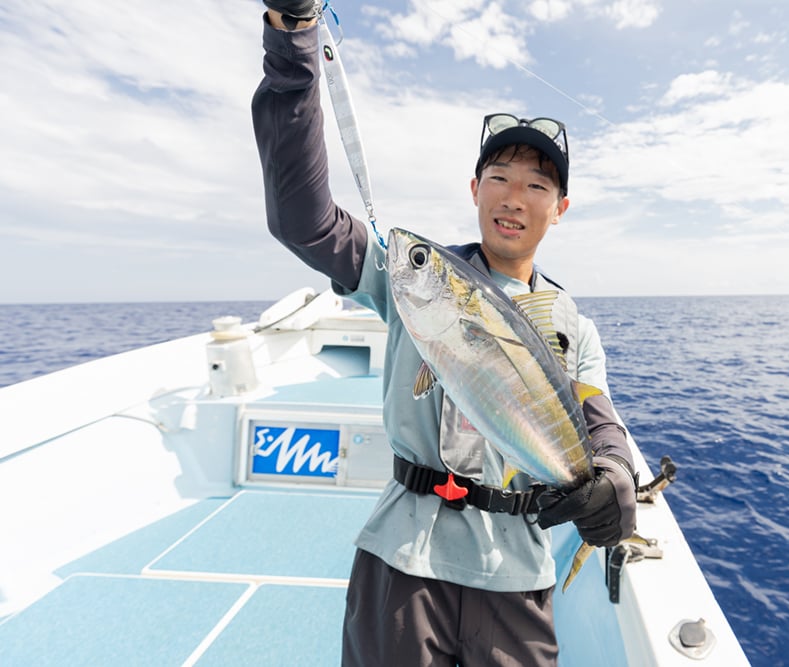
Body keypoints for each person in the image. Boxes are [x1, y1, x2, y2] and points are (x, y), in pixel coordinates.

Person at [252, 3, 638, 665]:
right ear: (474, 189)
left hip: (515, 572)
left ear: (560, 207)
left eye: (537, 184)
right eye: (499, 179)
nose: (514, 197)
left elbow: (598, 423)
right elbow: (303, 217)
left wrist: (613, 477)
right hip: (404, 558)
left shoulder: (572, 326)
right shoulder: (412, 276)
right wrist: (293, 42)